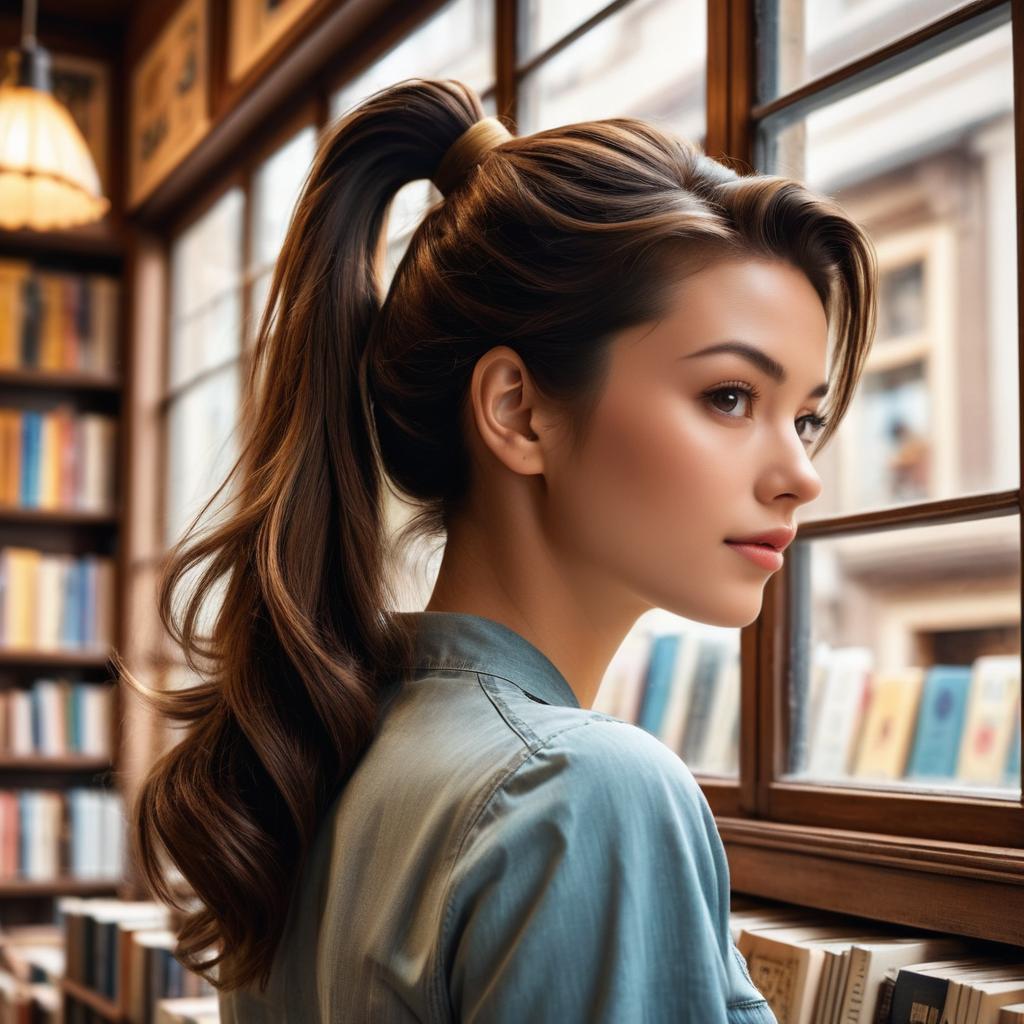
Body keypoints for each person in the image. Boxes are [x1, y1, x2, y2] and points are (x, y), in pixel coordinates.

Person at [117, 77, 876, 1022]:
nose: (799, 474)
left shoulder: (317, 754)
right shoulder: (582, 793)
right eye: (729, 397)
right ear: (518, 411)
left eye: (804, 417)